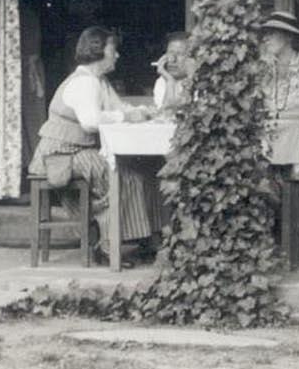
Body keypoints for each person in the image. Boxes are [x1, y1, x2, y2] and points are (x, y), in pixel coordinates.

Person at [27, 26, 156, 266]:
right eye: (113, 49)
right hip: (59, 155)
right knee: (118, 174)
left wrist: (142, 112)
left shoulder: (99, 81)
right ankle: (106, 246)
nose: (117, 55)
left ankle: (139, 239)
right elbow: (90, 121)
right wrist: (126, 117)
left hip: (76, 151)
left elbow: (118, 108)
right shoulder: (84, 82)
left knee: (134, 171)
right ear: (98, 50)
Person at [259, 11, 299, 177]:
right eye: (264, 34)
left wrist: (272, 114)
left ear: (288, 35)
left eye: (271, 33)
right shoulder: (263, 67)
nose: (265, 39)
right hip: (266, 141)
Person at [151, 31, 192, 109]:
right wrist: (170, 82)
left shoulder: (202, 83)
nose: (173, 59)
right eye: (170, 53)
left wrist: (191, 75)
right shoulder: (163, 81)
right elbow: (166, 113)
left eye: (180, 54)